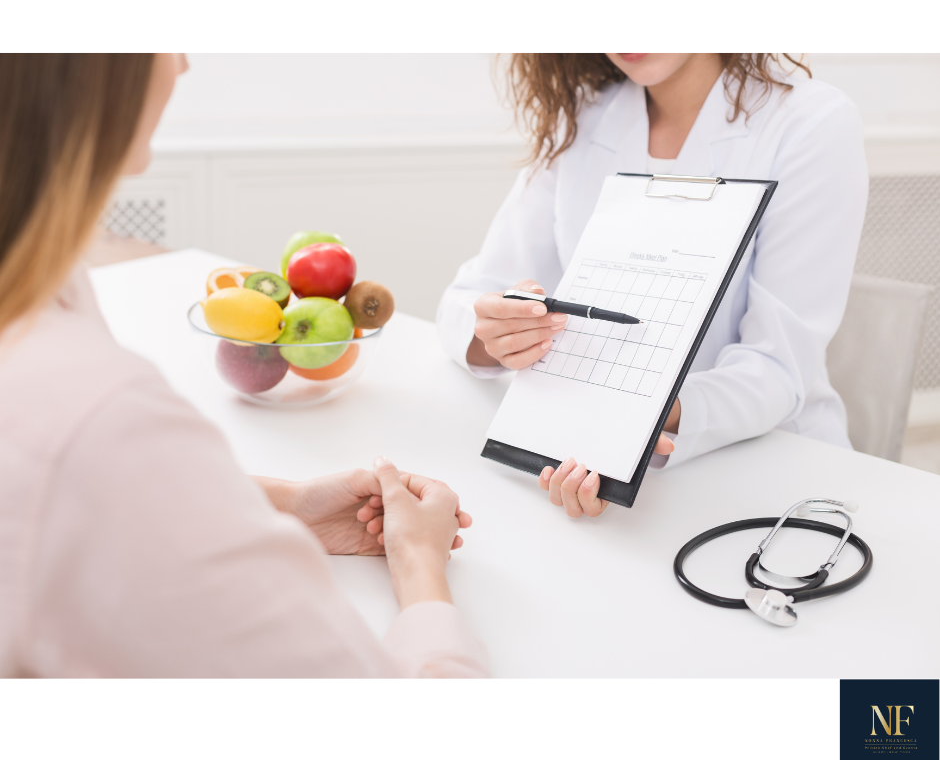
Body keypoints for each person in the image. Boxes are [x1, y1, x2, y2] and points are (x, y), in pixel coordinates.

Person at [0, 54, 486, 677]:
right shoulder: (96, 413)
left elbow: (74, 511)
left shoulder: (46, 293)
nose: (180, 63)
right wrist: (420, 568)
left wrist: (285, 505)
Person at [438, 53, 868, 518]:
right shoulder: (581, 119)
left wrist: (635, 410)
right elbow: (468, 299)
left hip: (771, 478)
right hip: (592, 459)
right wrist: (498, 334)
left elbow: (778, 369)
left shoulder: (811, 123)